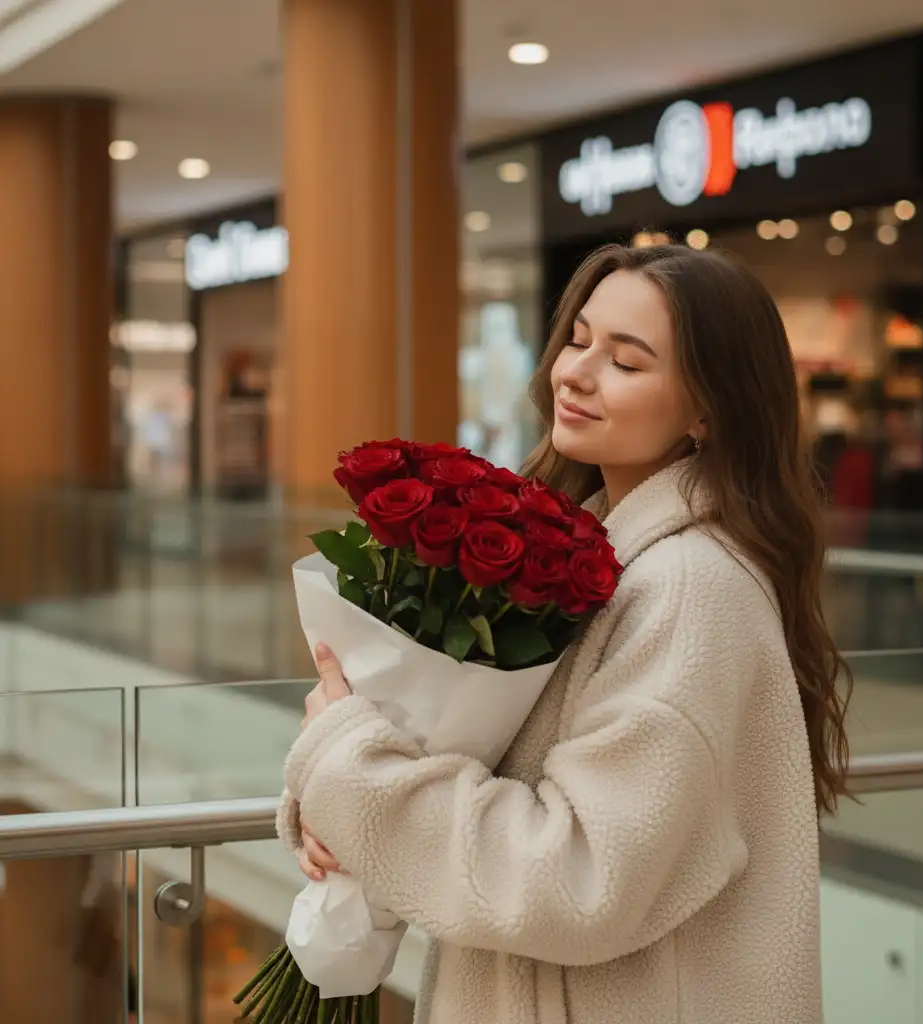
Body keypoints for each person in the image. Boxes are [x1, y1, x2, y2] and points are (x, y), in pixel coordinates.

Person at [278, 243, 853, 1024]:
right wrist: (348, 815)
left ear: (707, 409)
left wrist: (352, 771)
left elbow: (579, 880)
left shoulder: (688, 588)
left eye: (626, 360)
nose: (574, 372)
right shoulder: (605, 558)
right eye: (578, 339)